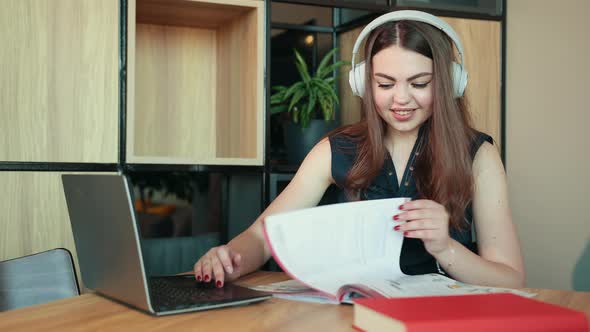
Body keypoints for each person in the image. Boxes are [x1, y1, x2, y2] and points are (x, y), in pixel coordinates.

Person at [193, 10, 525, 289]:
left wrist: (445, 247)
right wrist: (230, 259)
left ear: (449, 83)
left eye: (419, 83)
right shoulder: (335, 149)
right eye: (384, 84)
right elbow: (263, 236)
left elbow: (511, 278)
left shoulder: (478, 155)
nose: (401, 99)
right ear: (364, 83)